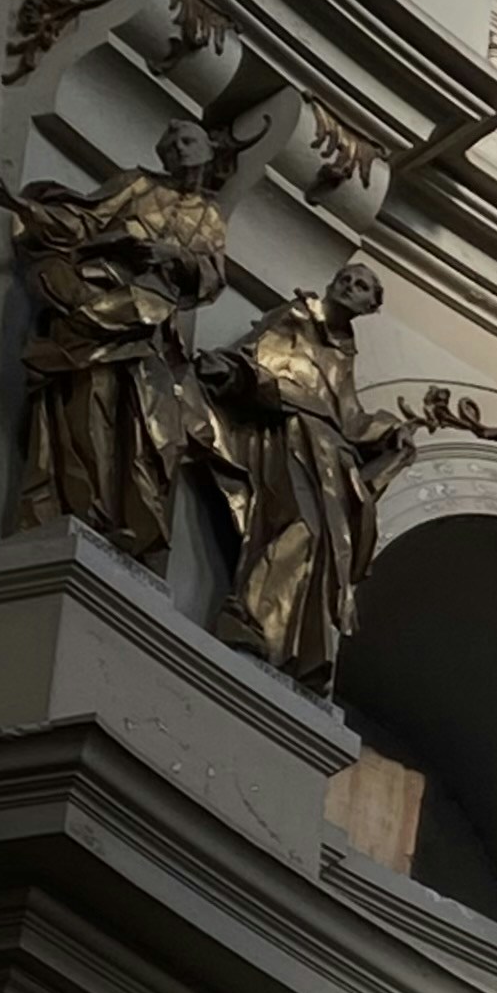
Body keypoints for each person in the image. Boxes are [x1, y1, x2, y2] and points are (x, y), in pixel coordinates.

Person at [0, 121, 228, 567]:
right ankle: (81, 508)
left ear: (209, 150)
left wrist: (174, 257)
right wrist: (25, 208)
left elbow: (211, 279)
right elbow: (85, 221)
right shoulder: (137, 183)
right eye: (168, 145)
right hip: (101, 305)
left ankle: (121, 523)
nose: (176, 151)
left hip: (149, 328)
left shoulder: (210, 218)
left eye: (187, 141)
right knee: (88, 405)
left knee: (152, 434)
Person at [199, 260, 410, 686]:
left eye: (363, 286)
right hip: (292, 432)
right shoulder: (296, 317)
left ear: (372, 306)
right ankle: (250, 619)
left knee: (329, 547)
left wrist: (389, 430)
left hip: (328, 453)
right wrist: (245, 379)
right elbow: (258, 361)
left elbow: (347, 419)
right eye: (346, 280)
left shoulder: (342, 352)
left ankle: (292, 645)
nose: (351, 287)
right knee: (299, 525)